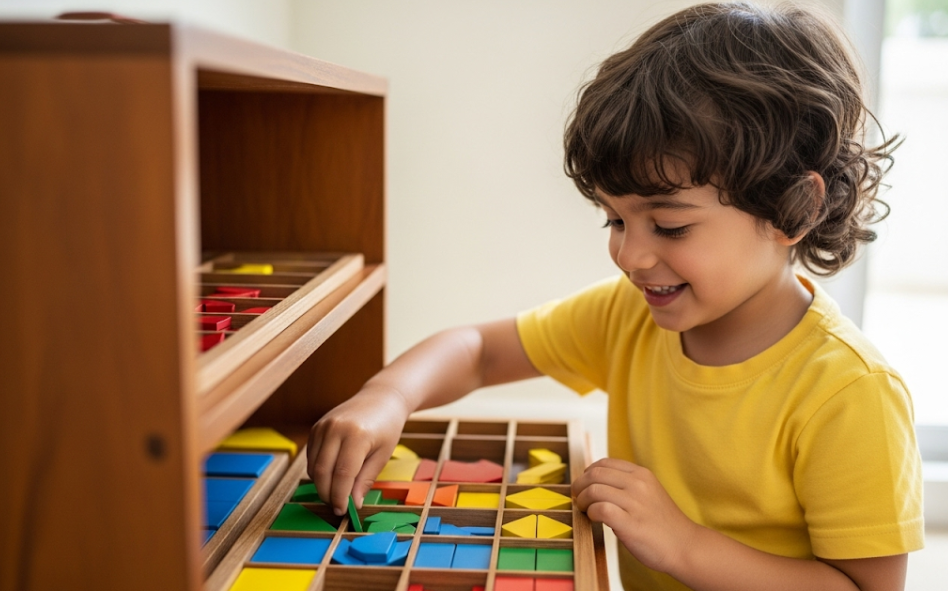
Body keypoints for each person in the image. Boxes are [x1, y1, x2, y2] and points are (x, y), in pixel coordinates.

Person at [306, 2, 924, 590]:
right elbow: (478, 350)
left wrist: (682, 545)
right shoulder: (630, 315)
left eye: (671, 226)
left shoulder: (851, 393)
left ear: (796, 207)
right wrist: (386, 397)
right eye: (615, 220)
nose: (630, 256)